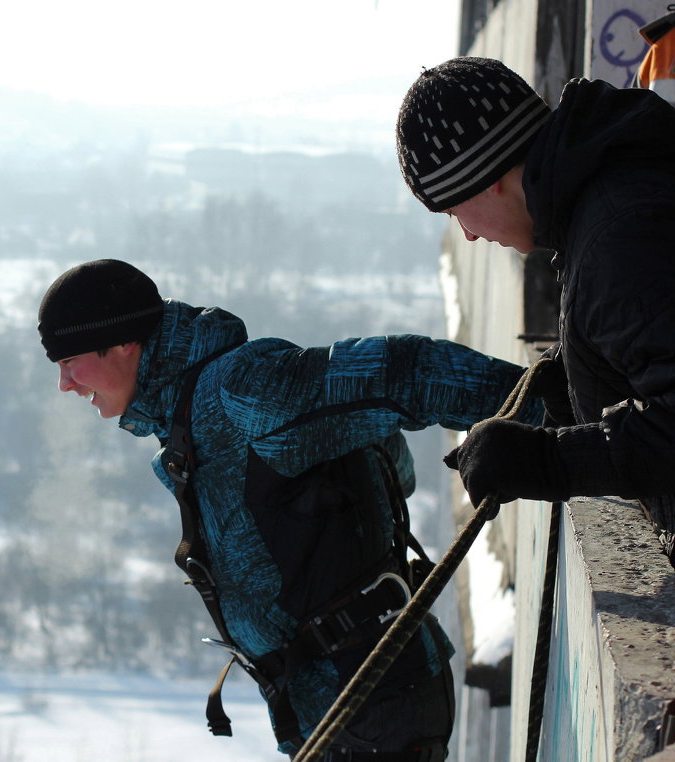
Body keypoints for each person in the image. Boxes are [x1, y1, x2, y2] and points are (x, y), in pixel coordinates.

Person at [36, 258, 542, 760]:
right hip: (346, 709)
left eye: (68, 362)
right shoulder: (188, 416)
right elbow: (384, 453)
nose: (65, 384)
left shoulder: (240, 392)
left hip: (373, 704)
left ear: (123, 342)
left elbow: (400, 374)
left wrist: (548, 408)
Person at [396, 56, 675, 552]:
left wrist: (548, 462)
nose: (469, 234)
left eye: (457, 210)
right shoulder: (607, 194)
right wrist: (579, 374)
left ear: (487, 178)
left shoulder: (617, 232)